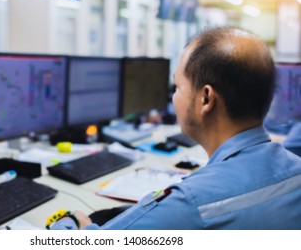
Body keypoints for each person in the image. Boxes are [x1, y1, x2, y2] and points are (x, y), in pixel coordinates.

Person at [48, 26, 301, 230]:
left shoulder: (190, 203)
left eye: (177, 87)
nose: (174, 98)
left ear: (206, 99)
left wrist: (76, 226)